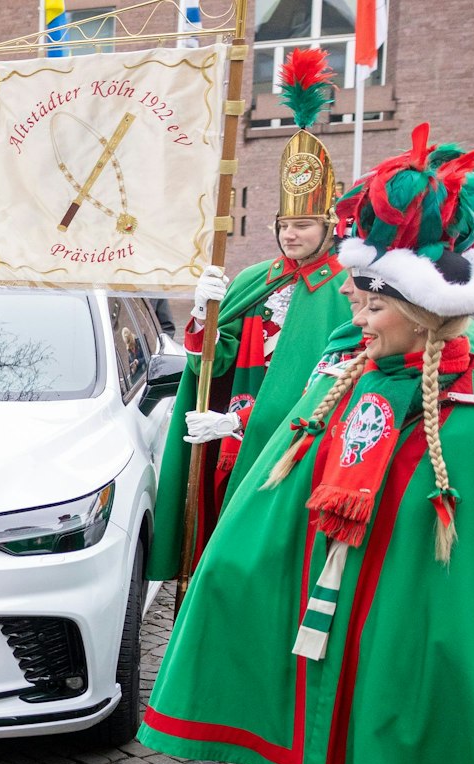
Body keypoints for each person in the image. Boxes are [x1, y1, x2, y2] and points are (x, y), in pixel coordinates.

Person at [140, 125, 474, 764]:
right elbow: (285, 476)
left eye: (376, 305)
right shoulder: (349, 372)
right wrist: (236, 563)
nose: (359, 316)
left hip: (404, 607)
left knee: (403, 728)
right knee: (305, 710)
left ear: (426, 303)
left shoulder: (464, 405)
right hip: (326, 587)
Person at [154, 49, 356, 588]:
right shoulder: (255, 281)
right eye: (285, 223)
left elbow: (331, 390)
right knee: (218, 543)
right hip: (231, 441)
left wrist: (244, 423)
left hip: (289, 444)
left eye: (305, 224)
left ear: (329, 226)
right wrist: (204, 317)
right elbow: (213, 363)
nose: (292, 234)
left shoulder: (346, 289)